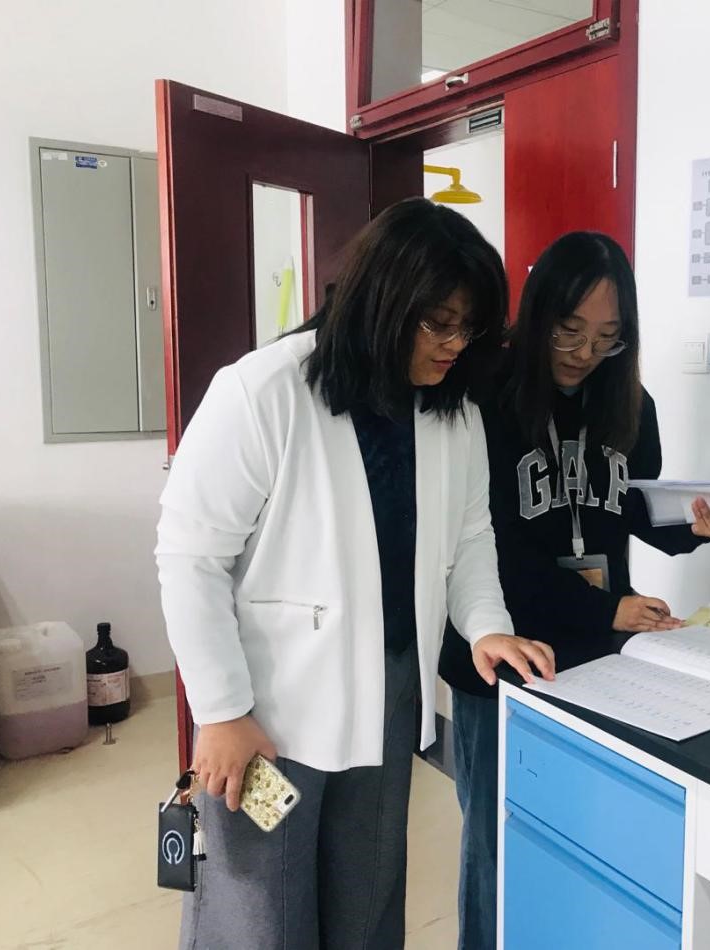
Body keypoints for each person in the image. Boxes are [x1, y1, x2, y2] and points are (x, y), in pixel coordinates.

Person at [155, 198, 555, 950]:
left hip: (387, 695)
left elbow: (471, 538)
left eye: (468, 327)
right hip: (269, 710)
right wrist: (221, 710)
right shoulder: (263, 391)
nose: (454, 344)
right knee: (262, 912)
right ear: (381, 299)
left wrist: (486, 627)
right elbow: (189, 557)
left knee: (367, 898)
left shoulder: (453, 413)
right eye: (437, 322)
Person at [438, 230, 710, 950]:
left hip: (599, 655)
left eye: (607, 337)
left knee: (575, 837)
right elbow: (485, 545)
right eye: (569, 331)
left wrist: (695, 530)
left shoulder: (629, 402)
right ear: (538, 314)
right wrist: (607, 607)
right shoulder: (484, 393)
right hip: (502, 653)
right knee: (498, 841)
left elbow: (629, 511)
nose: (583, 352)